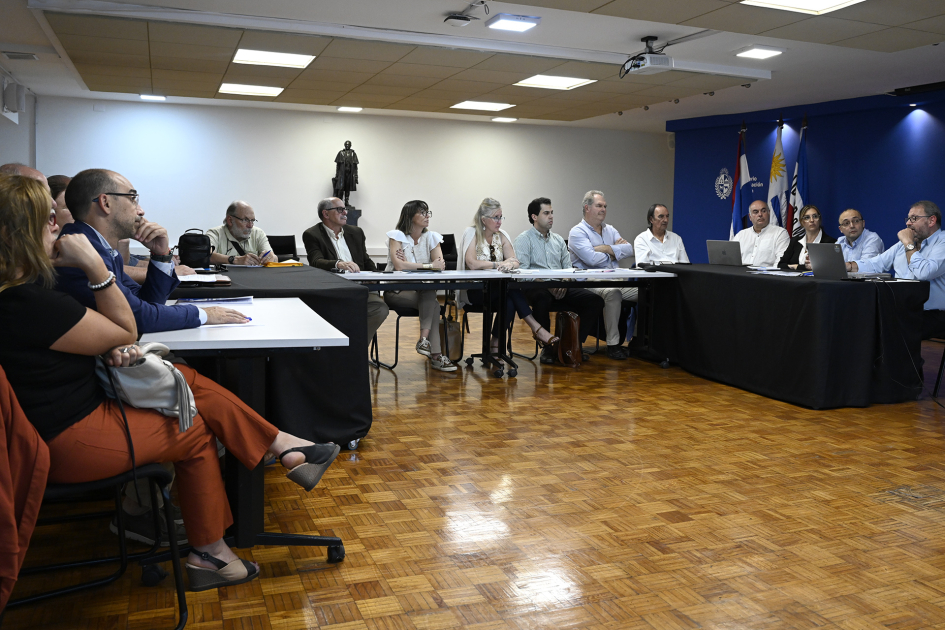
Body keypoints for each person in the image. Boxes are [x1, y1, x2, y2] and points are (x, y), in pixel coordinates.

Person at [0, 174, 341, 591]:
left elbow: (117, 326)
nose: (60, 226)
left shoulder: (25, 291)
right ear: (21, 232)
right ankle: (212, 548)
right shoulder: (31, 298)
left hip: (61, 418)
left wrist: (106, 344)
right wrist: (93, 268)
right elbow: (129, 326)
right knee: (193, 427)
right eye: (49, 219)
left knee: (184, 384)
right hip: (64, 436)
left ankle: (266, 470)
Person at [56, 169, 248, 333]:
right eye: (132, 198)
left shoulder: (102, 248)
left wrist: (161, 254)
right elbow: (139, 316)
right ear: (105, 203)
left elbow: (149, 302)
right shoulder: (79, 252)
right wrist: (203, 314)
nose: (140, 211)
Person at [458, 198, 558, 356]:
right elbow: (472, 263)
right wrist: (498, 264)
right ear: (484, 219)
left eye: (501, 217)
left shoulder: (502, 235)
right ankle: (535, 328)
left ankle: (495, 343)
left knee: (509, 300)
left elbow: (515, 261)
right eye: (495, 217)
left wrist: (510, 264)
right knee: (510, 291)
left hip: (499, 290)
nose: (499, 222)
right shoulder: (472, 232)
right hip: (476, 290)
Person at [513, 197, 604, 365]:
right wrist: (548, 285)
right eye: (546, 213)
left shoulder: (558, 240)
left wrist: (564, 280)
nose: (551, 217)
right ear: (534, 216)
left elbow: (568, 268)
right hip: (536, 287)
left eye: (552, 213)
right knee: (542, 298)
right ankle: (548, 347)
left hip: (560, 287)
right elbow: (522, 273)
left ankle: (573, 345)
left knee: (595, 300)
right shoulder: (523, 240)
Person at [849, 200, 945, 340]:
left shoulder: (941, 242)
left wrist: (908, 244)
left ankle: (907, 362)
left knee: (892, 327)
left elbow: (924, 272)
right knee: (862, 317)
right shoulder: (903, 245)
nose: (908, 223)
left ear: (931, 220)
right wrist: (848, 265)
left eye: (914, 218)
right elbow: (876, 264)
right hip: (903, 309)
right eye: (908, 219)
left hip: (934, 313)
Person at [303, 197, 389, 344]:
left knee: (379, 308)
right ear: (326, 214)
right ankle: (347, 351)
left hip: (360, 289)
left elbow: (365, 260)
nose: (345, 213)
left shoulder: (356, 232)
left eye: (345, 209)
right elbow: (316, 262)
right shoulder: (312, 234)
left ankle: (355, 349)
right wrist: (338, 264)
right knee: (337, 314)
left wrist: (375, 275)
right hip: (333, 291)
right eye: (340, 209)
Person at [384, 200, 456, 372]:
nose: (427, 217)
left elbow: (440, 265)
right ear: (410, 216)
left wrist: (411, 264)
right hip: (397, 291)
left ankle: (425, 342)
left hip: (423, 291)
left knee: (430, 296)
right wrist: (428, 266)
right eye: (422, 213)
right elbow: (400, 266)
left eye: (428, 213)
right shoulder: (397, 236)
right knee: (433, 304)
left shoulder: (431, 237)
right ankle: (436, 355)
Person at [568, 190, 636, 360]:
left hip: (615, 278)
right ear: (587, 208)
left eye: (605, 206)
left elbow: (629, 250)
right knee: (613, 293)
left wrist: (604, 248)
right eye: (599, 205)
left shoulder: (610, 229)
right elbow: (591, 259)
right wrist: (614, 252)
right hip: (591, 281)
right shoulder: (577, 232)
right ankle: (613, 345)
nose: (603, 209)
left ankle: (639, 341)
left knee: (648, 292)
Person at [206, 201, 277, 266]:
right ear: (230, 220)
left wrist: (272, 258)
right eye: (245, 220)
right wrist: (235, 260)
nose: (250, 225)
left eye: (252, 220)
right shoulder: (215, 233)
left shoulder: (258, 234)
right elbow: (207, 256)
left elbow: (274, 258)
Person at [731, 199, 790, 266]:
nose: (760, 214)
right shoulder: (741, 235)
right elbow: (731, 257)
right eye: (755, 212)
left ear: (769, 213)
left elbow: (780, 262)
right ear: (750, 217)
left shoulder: (780, 233)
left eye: (763, 211)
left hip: (766, 275)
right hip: (741, 274)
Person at [778, 204, 836, 269]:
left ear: (819, 220)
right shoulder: (795, 241)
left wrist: (794, 266)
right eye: (807, 217)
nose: (811, 220)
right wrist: (801, 267)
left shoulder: (830, 242)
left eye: (815, 216)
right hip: (794, 279)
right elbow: (781, 265)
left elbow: (825, 268)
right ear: (802, 222)